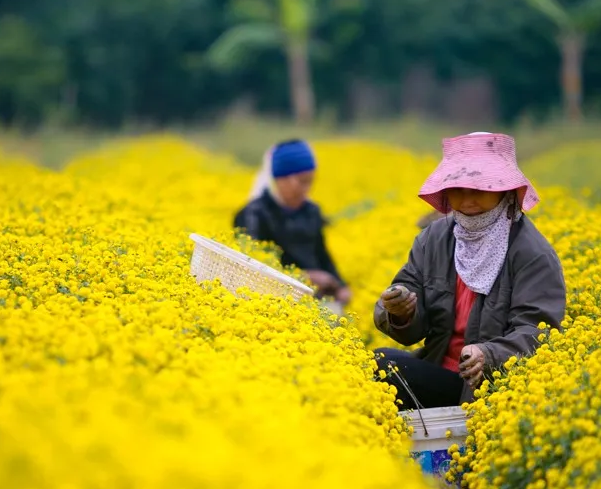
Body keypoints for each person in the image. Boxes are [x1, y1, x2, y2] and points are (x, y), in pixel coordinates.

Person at [374, 131, 566, 408]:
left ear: (505, 189)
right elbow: (410, 312)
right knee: (375, 365)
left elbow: (538, 331)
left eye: (479, 189)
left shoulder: (532, 254)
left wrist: (489, 354)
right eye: (457, 190)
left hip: (489, 388)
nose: (467, 201)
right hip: (439, 369)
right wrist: (402, 312)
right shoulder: (435, 239)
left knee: (387, 366)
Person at [234, 139, 352, 307]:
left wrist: (341, 286)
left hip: (317, 299)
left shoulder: (311, 211)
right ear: (280, 179)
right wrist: (304, 276)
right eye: (302, 181)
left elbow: (321, 254)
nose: (306, 188)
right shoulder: (253, 214)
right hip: (275, 303)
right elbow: (251, 267)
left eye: (310, 181)